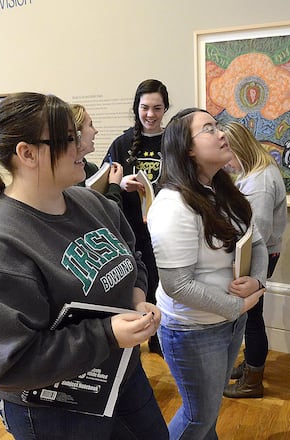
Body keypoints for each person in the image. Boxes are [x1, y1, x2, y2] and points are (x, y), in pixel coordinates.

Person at [0, 92, 168, 440]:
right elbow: (9, 363)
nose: (83, 145)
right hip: (57, 409)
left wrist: (136, 296)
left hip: (122, 375)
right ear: (27, 153)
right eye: (69, 139)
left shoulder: (92, 204)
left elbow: (134, 257)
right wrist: (107, 333)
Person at [147, 108, 268, 439]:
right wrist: (238, 306)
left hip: (229, 322)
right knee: (197, 417)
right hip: (193, 329)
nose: (222, 134)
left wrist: (257, 281)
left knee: (209, 412)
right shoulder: (173, 205)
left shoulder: (225, 191)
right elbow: (177, 285)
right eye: (209, 129)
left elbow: (257, 244)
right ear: (187, 148)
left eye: (217, 126)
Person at [102, 79, 170, 356]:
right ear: (136, 108)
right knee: (136, 284)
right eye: (145, 107)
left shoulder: (173, 139)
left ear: (165, 108)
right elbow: (105, 182)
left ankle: (158, 338)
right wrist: (121, 182)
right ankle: (132, 334)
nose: (150, 114)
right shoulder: (122, 143)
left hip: (165, 228)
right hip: (130, 229)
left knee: (162, 283)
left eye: (157, 108)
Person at [221, 121, 287, 399]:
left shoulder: (259, 182)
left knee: (252, 317)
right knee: (251, 316)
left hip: (258, 256)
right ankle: (251, 365)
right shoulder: (261, 173)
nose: (227, 165)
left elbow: (256, 233)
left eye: (229, 157)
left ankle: (253, 379)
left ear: (239, 149)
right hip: (265, 253)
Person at [70, 103, 123, 205]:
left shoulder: (92, 169)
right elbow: (108, 216)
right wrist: (114, 186)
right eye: (90, 125)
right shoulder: (62, 175)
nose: (95, 131)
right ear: (77, 133)